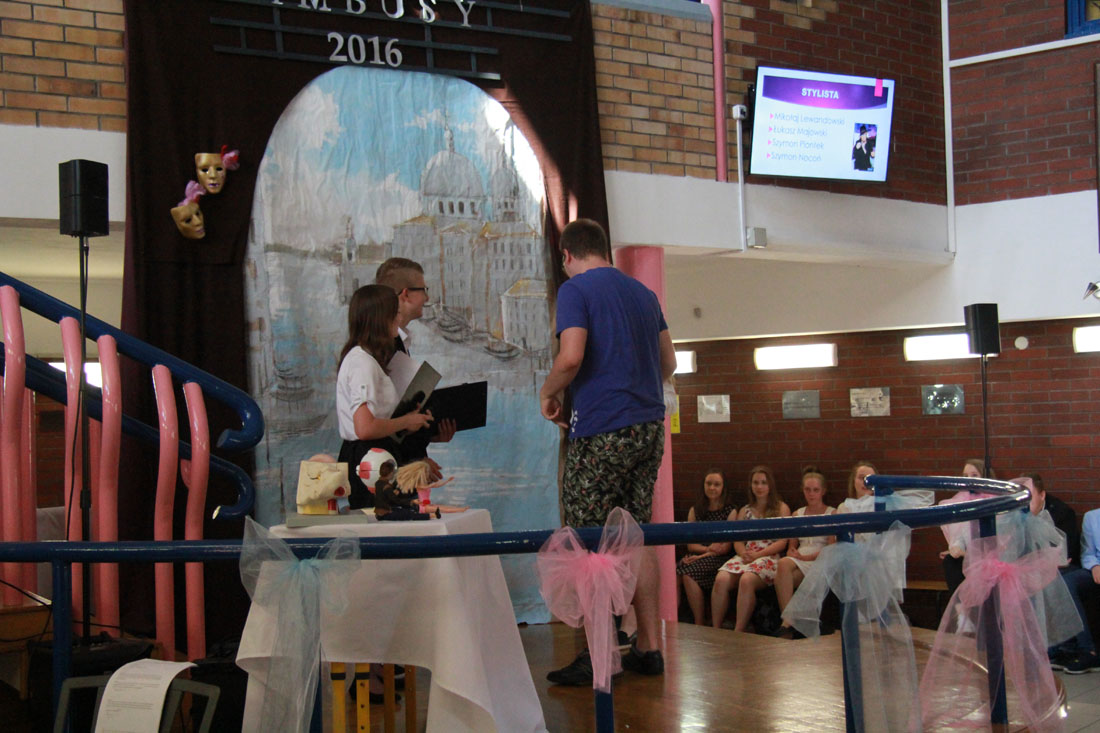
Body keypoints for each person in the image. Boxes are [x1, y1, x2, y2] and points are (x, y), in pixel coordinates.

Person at [538, 218, 676, 685]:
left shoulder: (575, 290)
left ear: (567, 256)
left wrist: (549, 392)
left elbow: (571, 356)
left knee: (588, 539)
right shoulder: (644, 295)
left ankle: (600, 655)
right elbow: (669, 362)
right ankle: (649, 646)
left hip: (602, 430)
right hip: (649, 428)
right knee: (635, 533)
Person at [335, 284, 434, 509]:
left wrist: (408, 424)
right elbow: (365, 428)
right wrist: (406, 421)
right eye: (395, 313)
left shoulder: (368, 359)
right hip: (369, 459)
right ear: (380, 319)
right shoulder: (362, 363)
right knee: (385, 520)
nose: (399, 318)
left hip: (379, 453)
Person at [374, 258, 456, 476]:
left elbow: (398, 417)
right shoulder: (381, 346)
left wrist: (430, 434)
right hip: (383, 469)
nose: (427, 298)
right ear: (406, 295)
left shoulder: (396, 341)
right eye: (424, 290)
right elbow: (379, 422)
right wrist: (415, 460)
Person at [710, 466, 791, 632]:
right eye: (755, 483)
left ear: (770, 485)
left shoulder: (781, 508)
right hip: (747, 554)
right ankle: (715, 628)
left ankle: (738, 630)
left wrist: (758, 555)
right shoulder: (745, 510)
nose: (759, 487)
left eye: (763, 483)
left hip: (769, 556)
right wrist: (743, 553)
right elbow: (738, 540)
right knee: (721, 579)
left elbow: (783, 542)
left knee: (746, 580)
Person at [775, 466, 835, 639]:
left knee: (784, 575)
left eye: (815, 490)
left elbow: (831, 548)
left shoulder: (832, 513)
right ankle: (789, 621)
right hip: (799, 558)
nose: (811, 494)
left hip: (820, 559)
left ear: (823, 491)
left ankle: (787, 624)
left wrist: (805, 557)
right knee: (783, 564)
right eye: (808, 490)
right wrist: (793, 552)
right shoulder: (798, 514)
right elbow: (791, 546)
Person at [675, 470, 736, 625]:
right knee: (676, 570)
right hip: (701, 554)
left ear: (723, 487)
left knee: (688, 573)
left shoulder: (730, 511)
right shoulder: (695, 510)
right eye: (708, 484)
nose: (712, 488)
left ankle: (699, 620)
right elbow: (691, 545)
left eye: (716, 484)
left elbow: (725, 548)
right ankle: (673, 616)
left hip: (719, 558)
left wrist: (701, 555)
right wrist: (705, 550)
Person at [1053, 508, 1100, 674]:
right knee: (1065, 581)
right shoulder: (1092, 517)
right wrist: (1094, 566)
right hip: (1095, 571)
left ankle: (1086, 650)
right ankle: (1077, 648)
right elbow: (1088, 553)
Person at [938, 458, 995, 594]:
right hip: (968, 558)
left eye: (974, 475)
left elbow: (998, 545)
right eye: (965, 476)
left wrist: (968, 554)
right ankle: (961, 606)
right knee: (950, 560)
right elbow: (959, 534)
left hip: (990, 560)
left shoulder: (996, 501)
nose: (969, 480)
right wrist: (956, 548)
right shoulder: (961, 502)